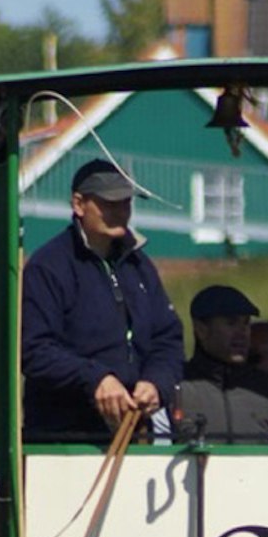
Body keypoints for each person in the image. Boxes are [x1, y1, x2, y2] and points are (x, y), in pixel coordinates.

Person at [20, 158, 184, 443]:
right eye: (109, 203)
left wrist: (157, 383)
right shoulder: (48, 266)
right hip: (63, 439)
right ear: (78, 204)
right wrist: (96, 378)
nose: (120, 211)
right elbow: (34, 350)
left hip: (135, 434)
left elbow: (167, 339)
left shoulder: (140, 266)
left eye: (126, 203)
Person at [168, 284, 268, 442]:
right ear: (201, 330)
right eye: (231, 323)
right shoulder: (175, 387)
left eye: (246, 323)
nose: (242, 333)